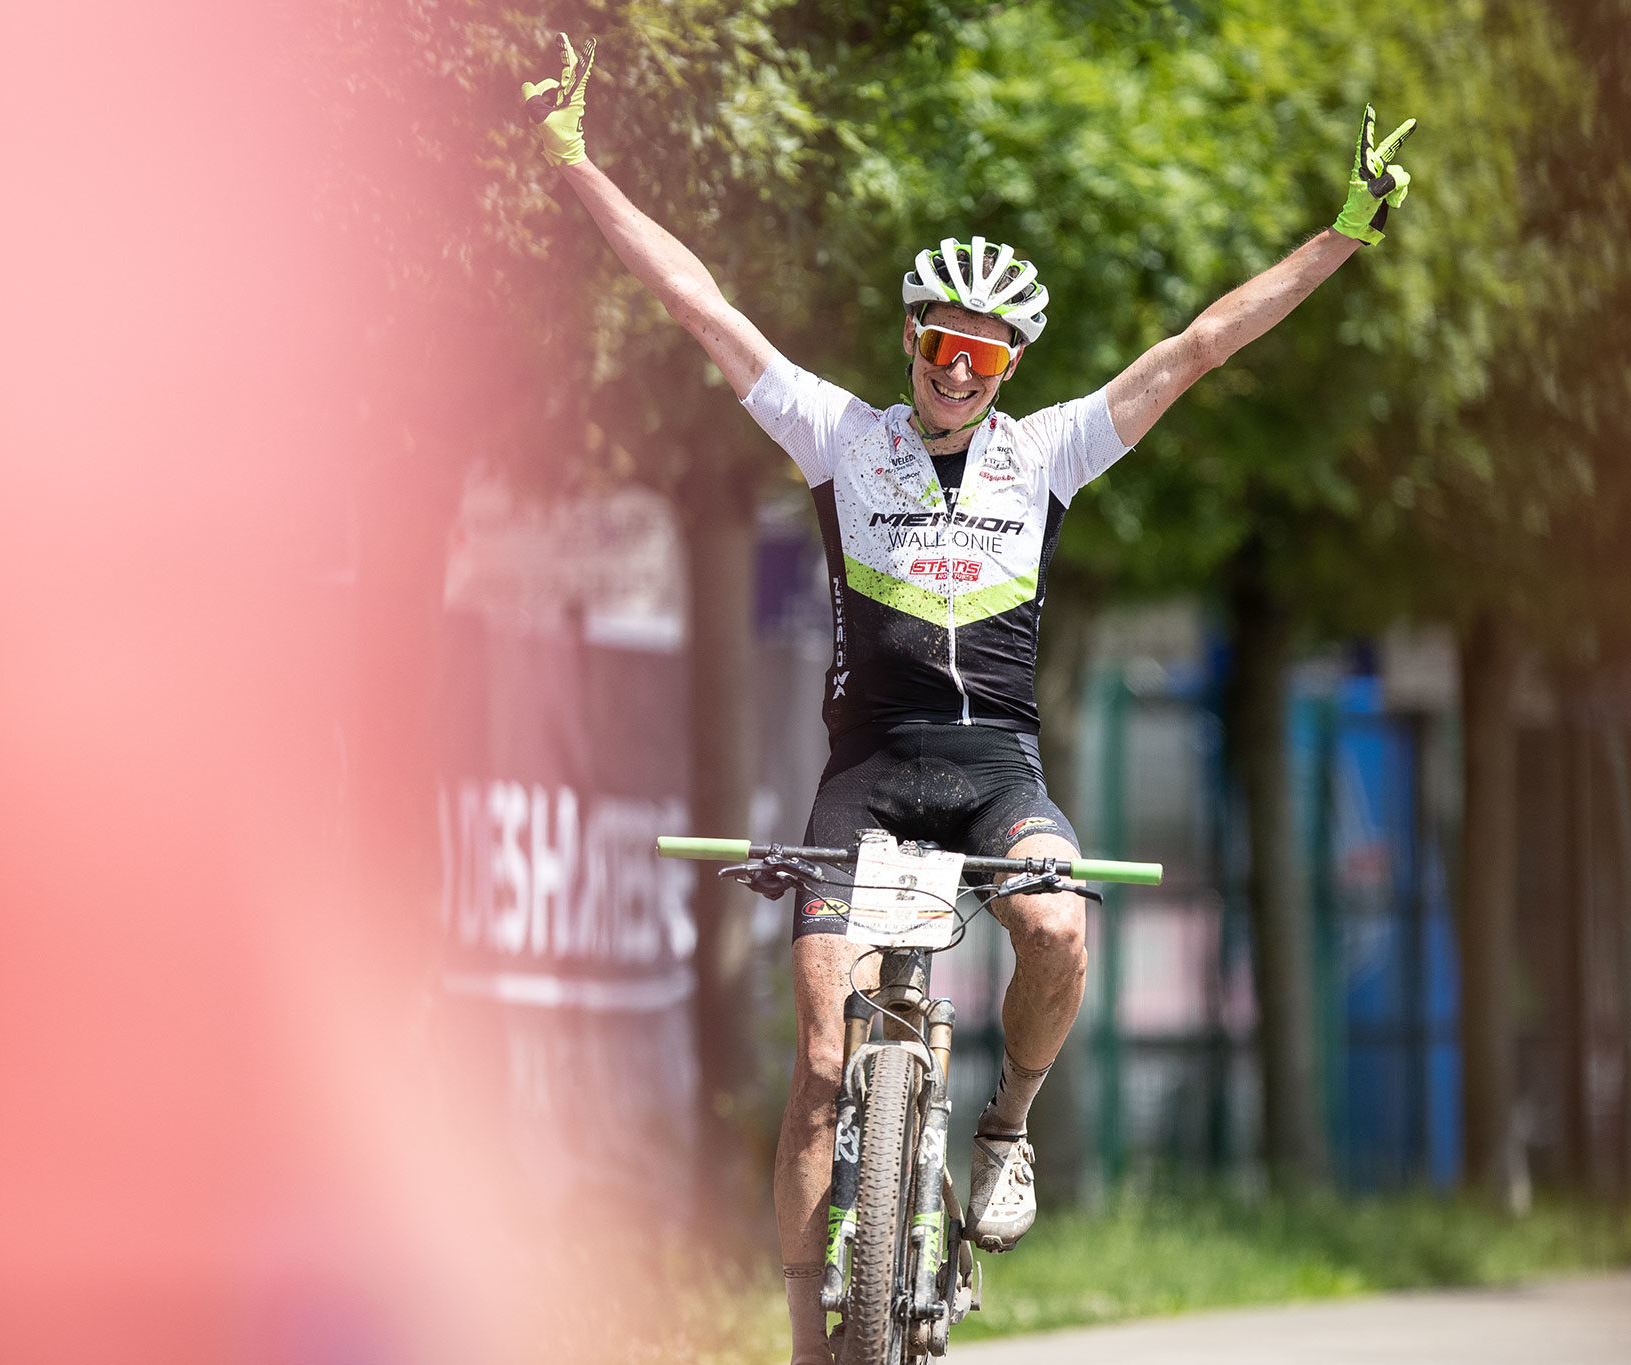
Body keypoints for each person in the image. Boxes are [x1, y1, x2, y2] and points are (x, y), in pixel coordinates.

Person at [520, 34, 1415, 1364]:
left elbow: (1199, 346)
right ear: (911, 341)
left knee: (1060, 932)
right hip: (867, 773)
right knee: (820, 1072)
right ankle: (801, 1329)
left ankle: (1005, 1130)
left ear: (1009, 372)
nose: (957, 372)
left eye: (985, 359)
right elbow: (706, 309)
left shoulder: (1046, 457)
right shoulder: (841, 436)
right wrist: (578, 165)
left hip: (997, 768)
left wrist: (1344, 234)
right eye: (942, 345)